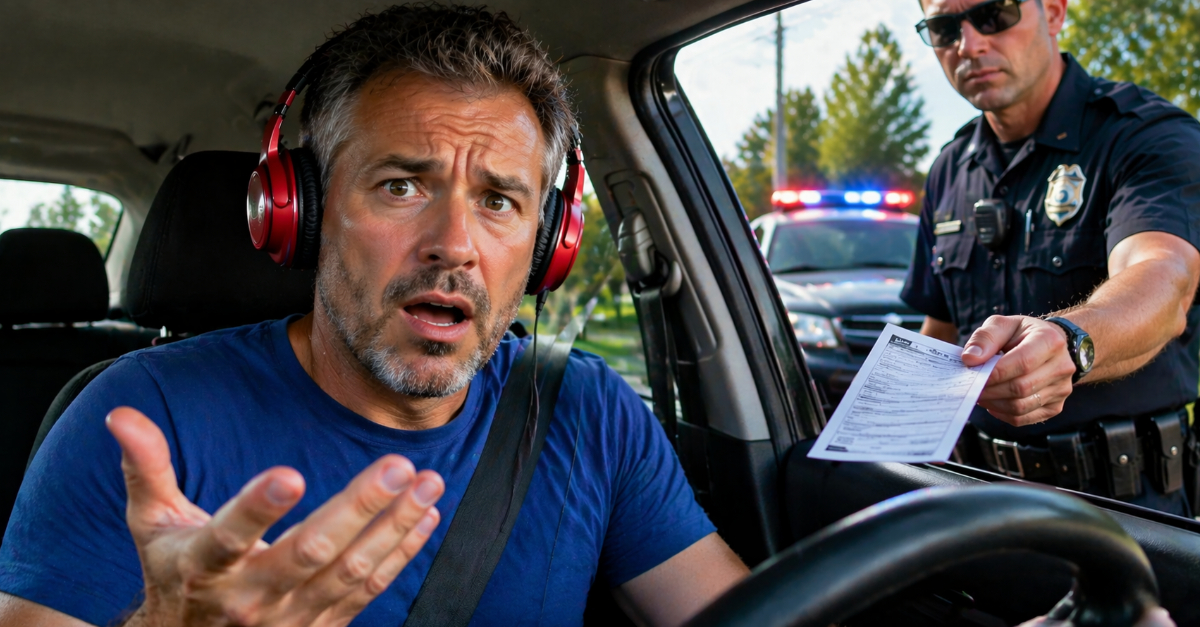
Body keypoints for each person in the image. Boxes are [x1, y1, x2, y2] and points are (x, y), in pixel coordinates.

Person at [0, 5, 750, 626]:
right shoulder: (140, 424)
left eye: (498, 201)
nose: (453, 245)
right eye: (400, 186)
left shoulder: (587, 414)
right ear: (303, 212)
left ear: (549, 243)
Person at [902, 0, 1200, 518]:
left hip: (1126, 507)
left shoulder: (1141, 136)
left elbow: (1162, 280)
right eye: (944, 28)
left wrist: (1070, 341)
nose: (969, 45)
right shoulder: (950, 167)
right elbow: (942, 328)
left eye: (993, 16)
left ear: (1055, 13)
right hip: (975, 498)